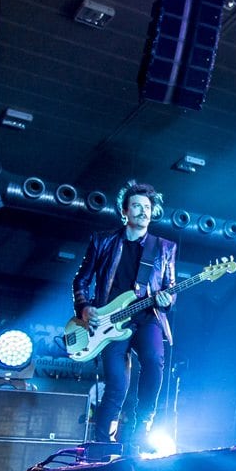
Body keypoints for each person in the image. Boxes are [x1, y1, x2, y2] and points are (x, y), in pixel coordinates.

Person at [72, 181, 176, 448]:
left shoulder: (164, 247)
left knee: (154, 361)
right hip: (110, 322)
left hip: (147, 317)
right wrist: (85, 307)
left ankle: (142, 427)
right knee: (116, 386)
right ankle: (102, 445)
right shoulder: (103, 241)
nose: (143, 212)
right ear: (125, 211)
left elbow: (170, 287)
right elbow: (81, 280)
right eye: (137, 206)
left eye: (147, 207)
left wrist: (167, 300)